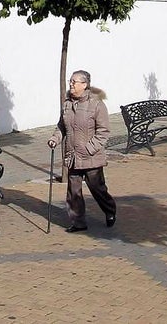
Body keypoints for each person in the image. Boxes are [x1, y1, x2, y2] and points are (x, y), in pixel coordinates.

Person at [48, 70, 117, 232]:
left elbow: (103, 131)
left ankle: (110, 210)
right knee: (73, 192)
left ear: (85, 85)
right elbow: (61, 126)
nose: (71, 84)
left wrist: (89, 148)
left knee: (97, 188)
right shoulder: (67, 104)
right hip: (72, 155)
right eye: (70, 81)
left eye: (74, 82)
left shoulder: (97, 105)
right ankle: (78, 222)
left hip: (91, 156)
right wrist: (55, 138)